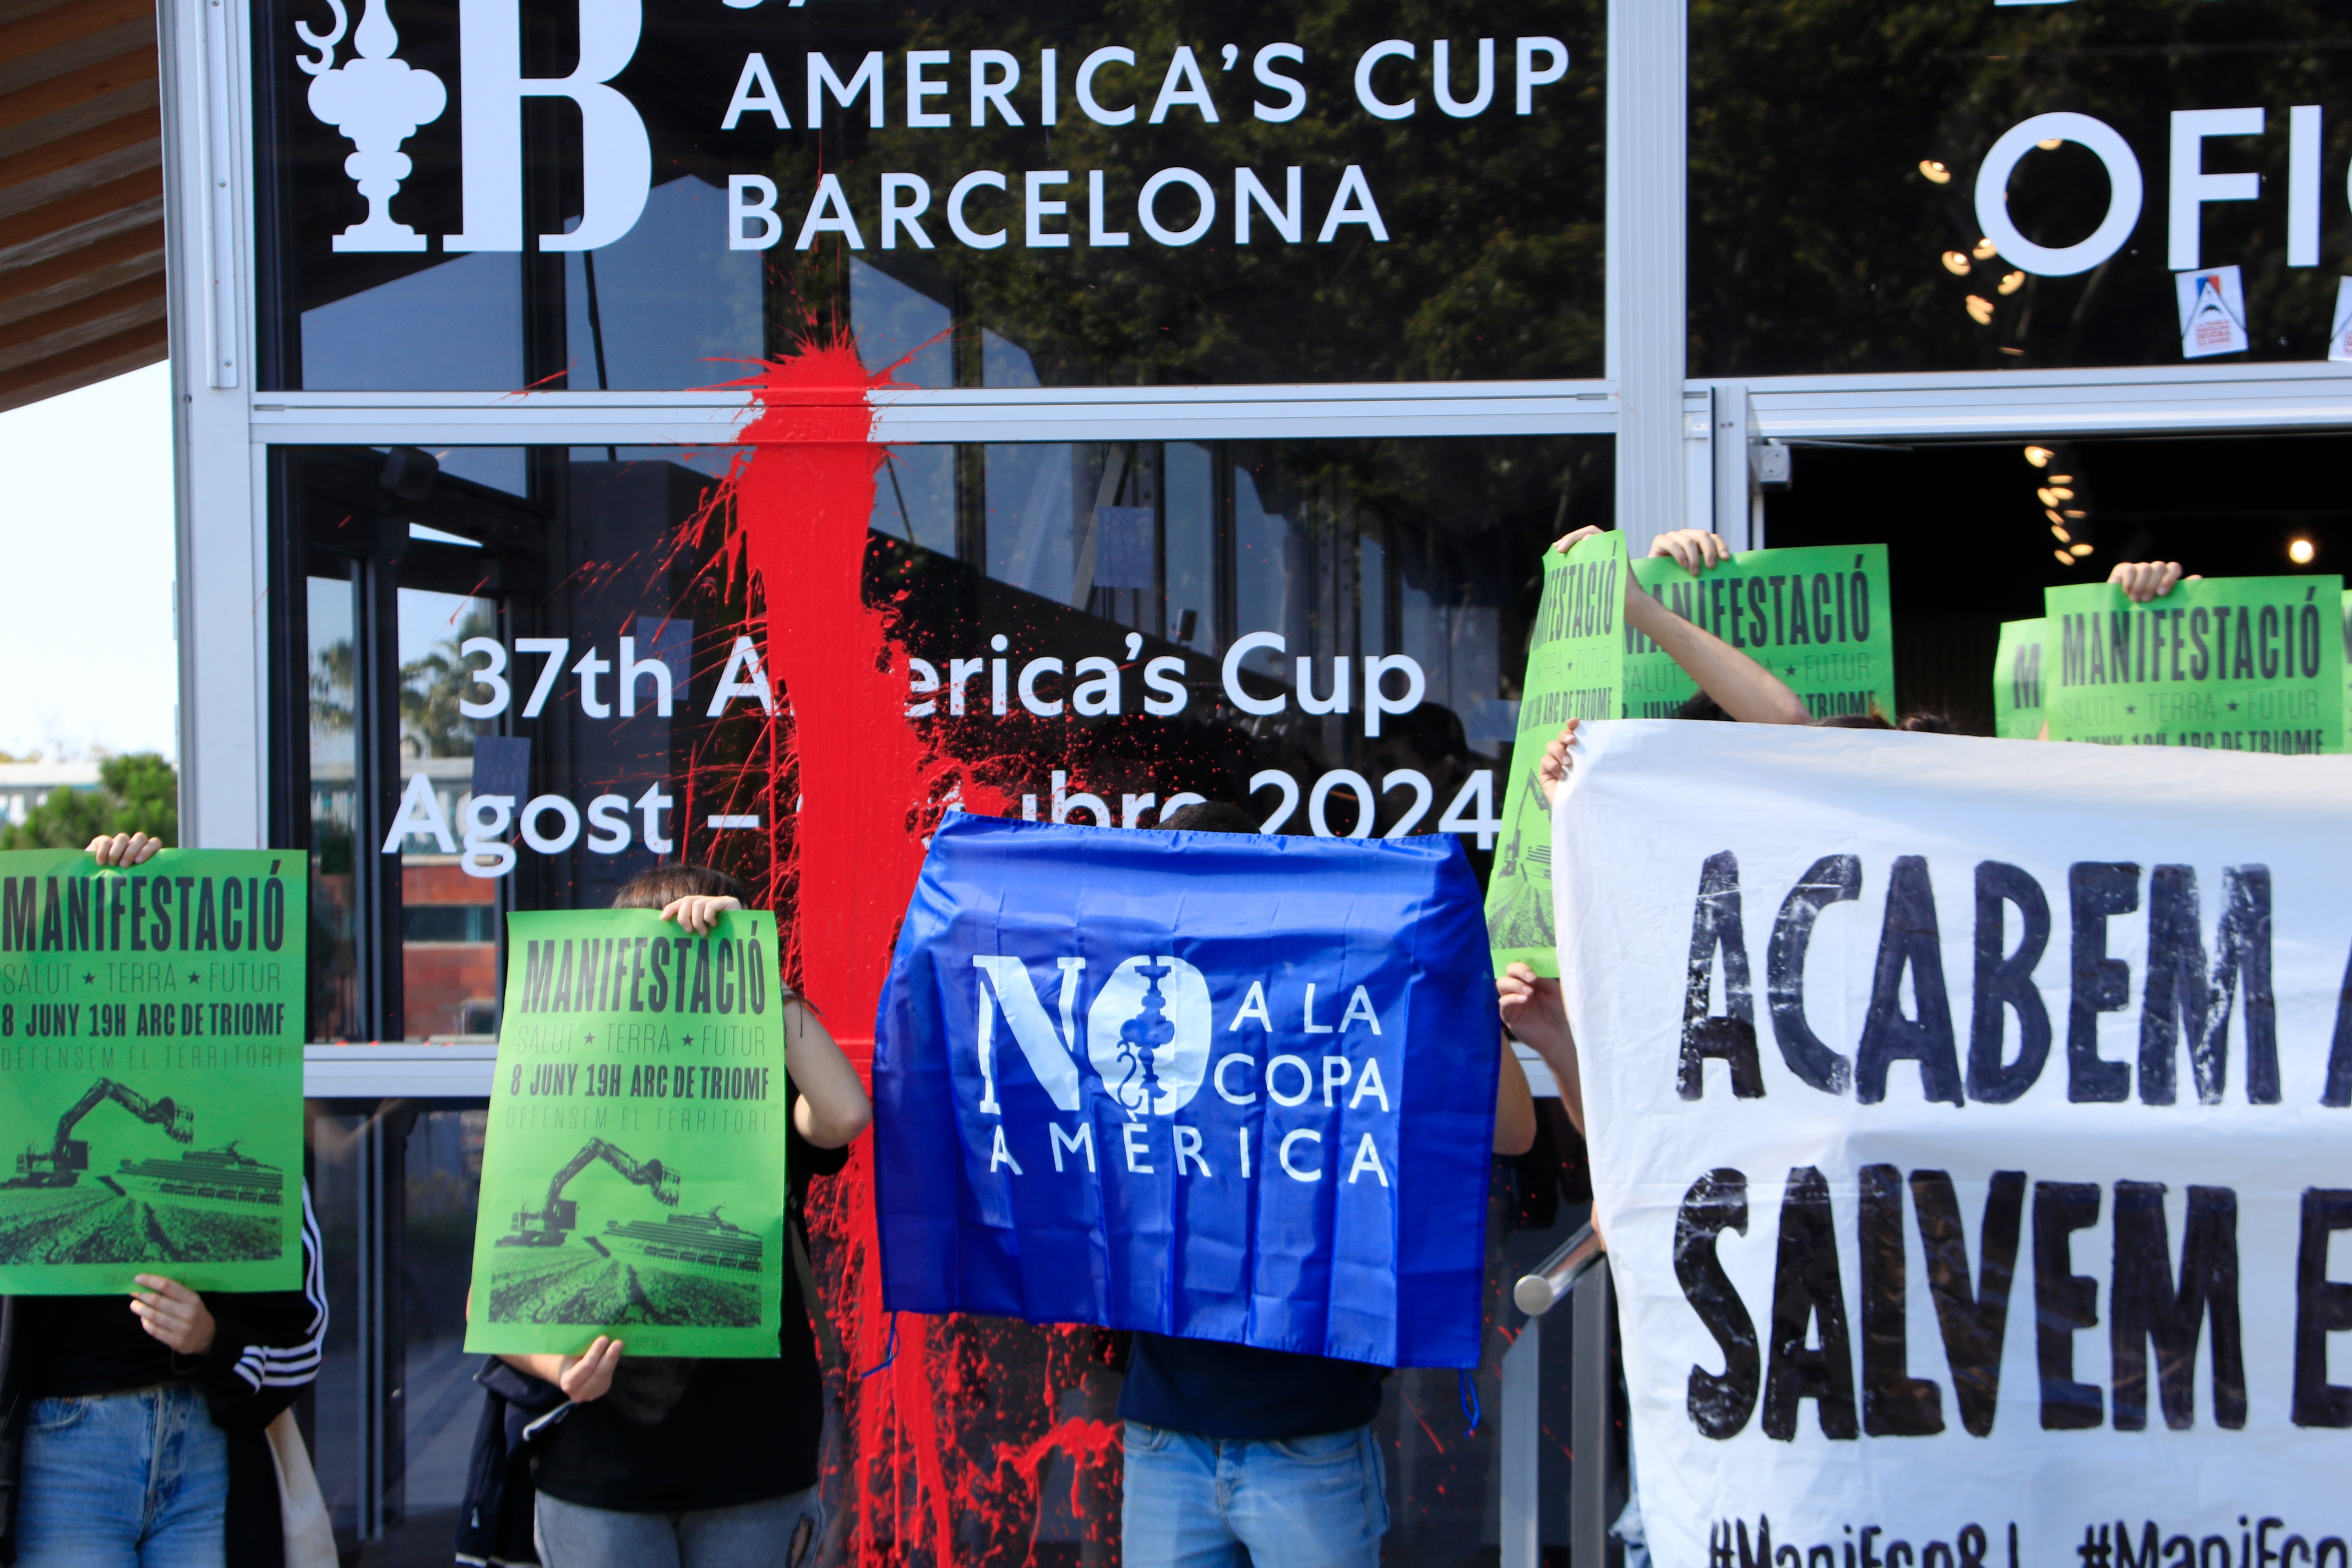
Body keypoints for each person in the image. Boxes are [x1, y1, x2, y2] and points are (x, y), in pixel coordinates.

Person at [1118, 801, 1536, 1568]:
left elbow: (1512, 1132)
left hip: (1305, 1438)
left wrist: (1454, 974)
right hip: (1167, 1437)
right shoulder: (1146, 1024)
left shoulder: (1344, 998)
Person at [482, 864, 871, 1568]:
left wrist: (754, 972)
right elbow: (501, 1298)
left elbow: (845, 1114)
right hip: (601, 1466)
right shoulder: (568, 1097)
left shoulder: (767, 1089)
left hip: (754, 1463)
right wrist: (559, 1369)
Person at [0, 830, 328, 1568]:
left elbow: (303, 1334)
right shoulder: (17, 1094)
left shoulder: (243, 1121)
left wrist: (214, 1340)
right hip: (62, 1452)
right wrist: (79, 884)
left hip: (206, 1451)